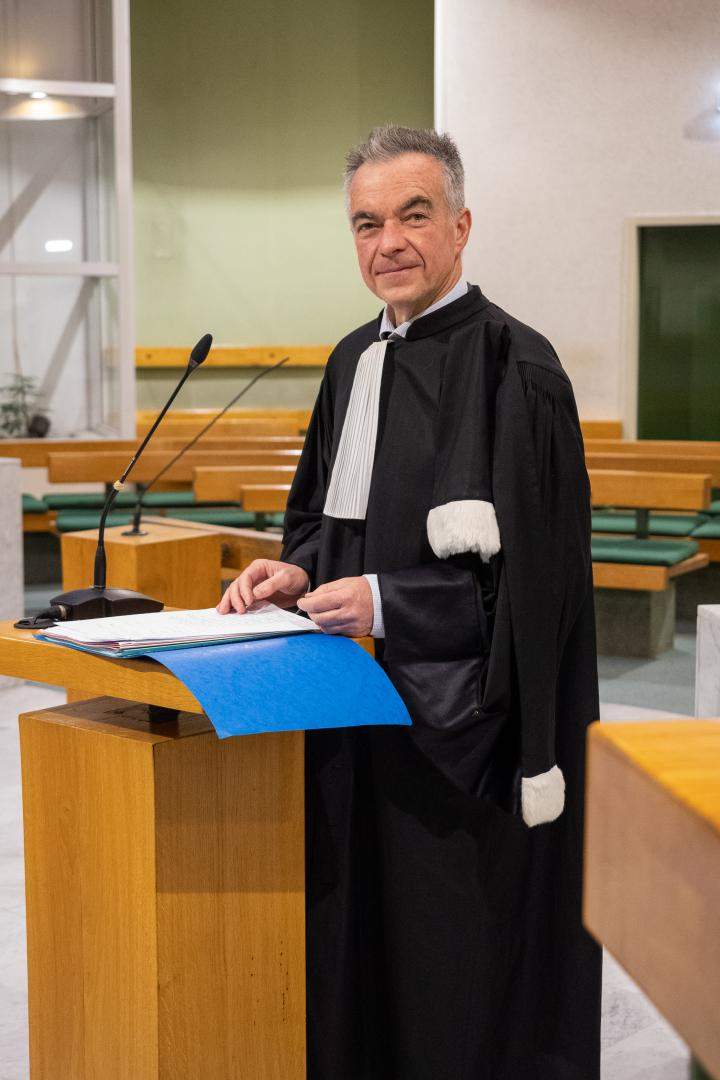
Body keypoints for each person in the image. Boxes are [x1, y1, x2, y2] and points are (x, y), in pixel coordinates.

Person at [218, 125, 602, 1080]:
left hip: (464, 746)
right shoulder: (352, 360)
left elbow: (541, 595)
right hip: (353, 724)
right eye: (366, 222)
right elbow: (328, 520)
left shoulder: (518, 367)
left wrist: (388, 603)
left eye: (413, 215)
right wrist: (296, 574)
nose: (387, 242)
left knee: (451, 980)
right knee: (356, 959)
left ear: (461, 226)